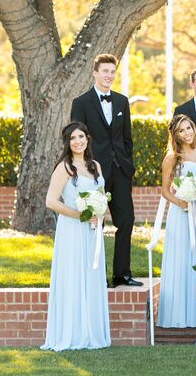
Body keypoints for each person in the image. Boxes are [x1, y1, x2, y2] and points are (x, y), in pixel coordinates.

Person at [71, 54, 140, 287]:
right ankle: (95, 275)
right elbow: (76, 138)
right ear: (95, 73)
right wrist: (85, 168)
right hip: (94, 172)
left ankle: (122, 274)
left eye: (112, 71)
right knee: (94, 223)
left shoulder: (122, 101)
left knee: (127, 220)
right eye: (105, 71)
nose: (109, 75)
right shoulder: (81, 103)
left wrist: (127, 164)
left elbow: (126, 138)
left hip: (120, 170)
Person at [42, 122, 110, 350]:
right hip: (71, 230)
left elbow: (101, 198)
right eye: (73, 138)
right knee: (73, 276)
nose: (78, 141)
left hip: (92, 232)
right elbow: (50, 201)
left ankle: (91, 332)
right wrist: (79, 215)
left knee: (91, 276)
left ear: (87, 138)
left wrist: (99, 214)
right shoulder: (64, 167)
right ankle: (72, 333)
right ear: (67, 143)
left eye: (81, 136)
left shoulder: (96, 166)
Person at [157, 115, 196, 328]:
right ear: (175, 135)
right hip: (182, 214)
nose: (187, 133)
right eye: (181, 130)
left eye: (189, 128)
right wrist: (181, 202)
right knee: (183, 259)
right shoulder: (172, 158)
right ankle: (181, 314)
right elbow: (164, 191)